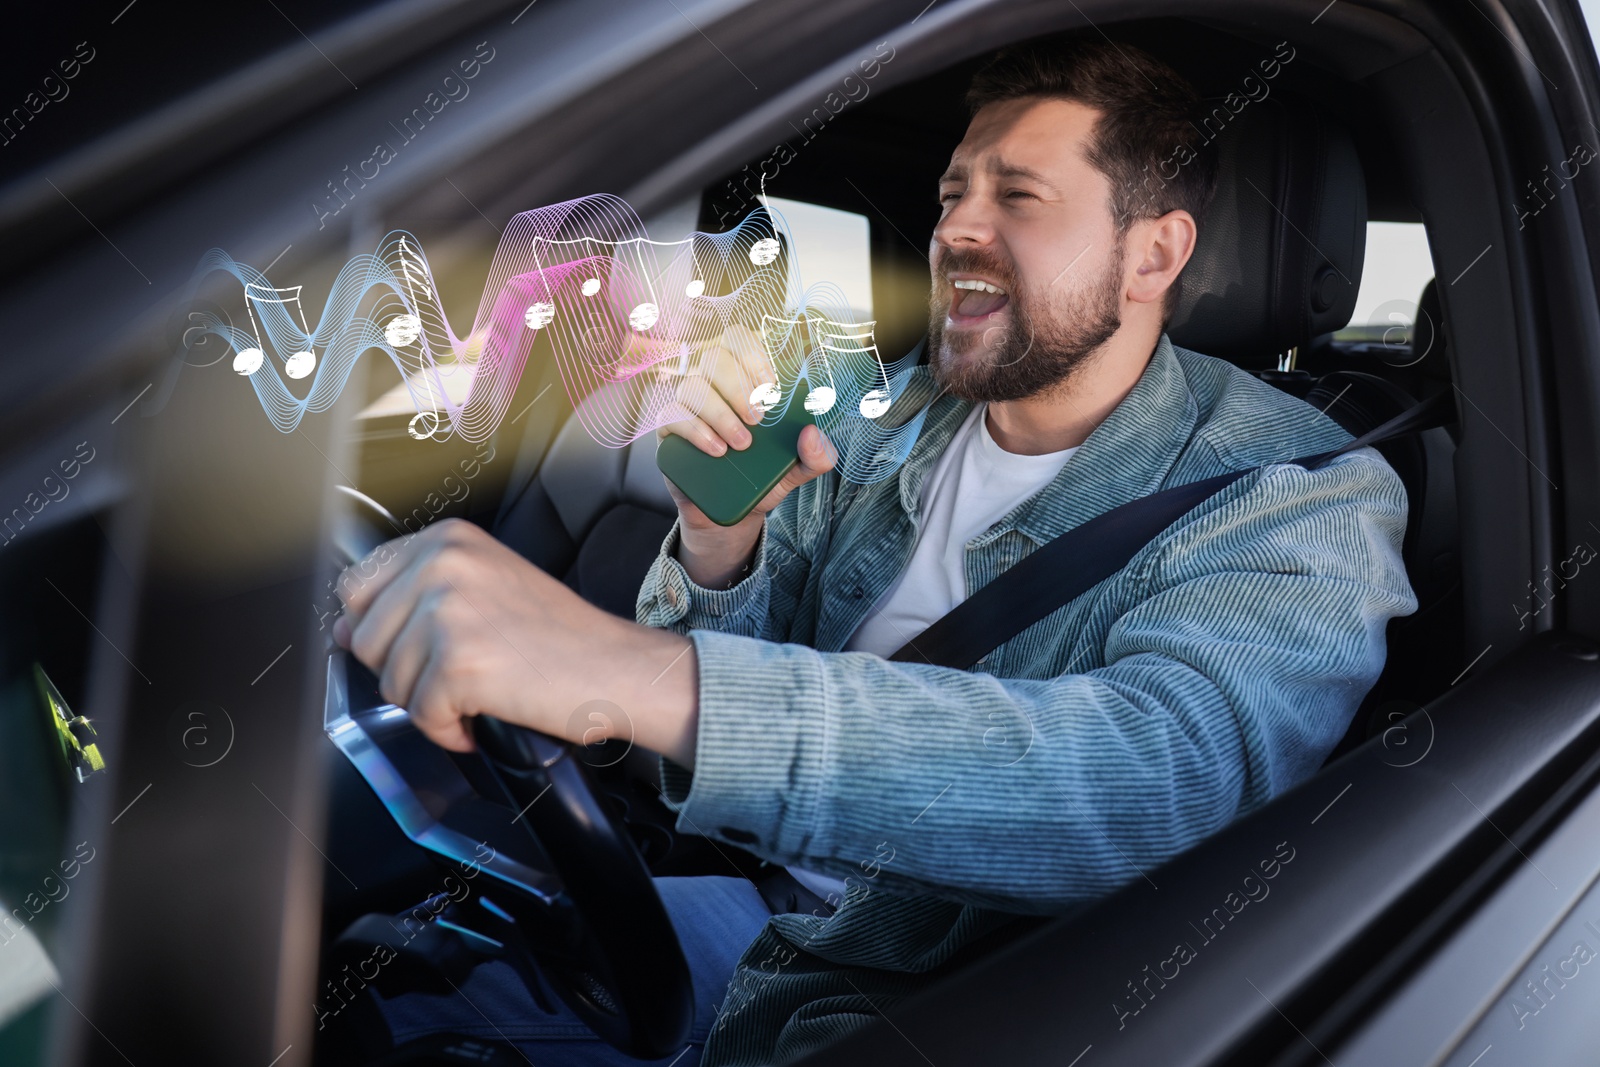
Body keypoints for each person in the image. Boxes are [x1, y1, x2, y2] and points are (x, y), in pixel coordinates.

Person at [334, 35, 1416, 1066]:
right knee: (361, 980)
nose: (954, 229)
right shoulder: (880, 417)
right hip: (745, 907)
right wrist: (720, 546)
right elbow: (677, 771)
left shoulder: (1298, 492)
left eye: (1017, 195)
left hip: (931, 997)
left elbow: (1154, 785)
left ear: (1154, 251)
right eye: (952, 194)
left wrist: (635, 670)